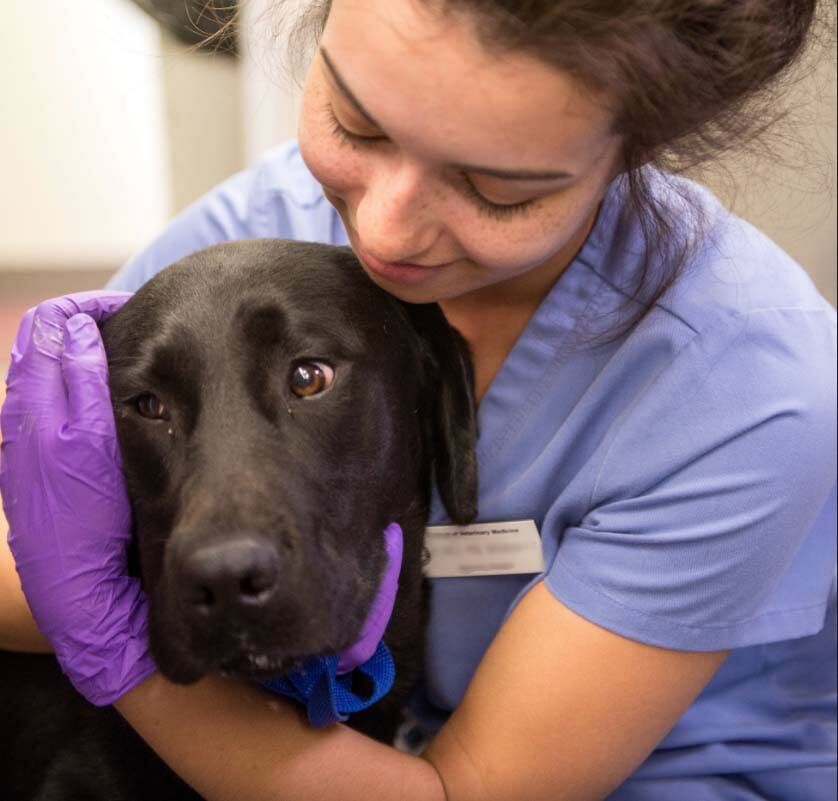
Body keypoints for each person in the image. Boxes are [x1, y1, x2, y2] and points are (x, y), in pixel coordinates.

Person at [1, 0, 835, 798]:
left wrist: (114, 639)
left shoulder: (746, 382)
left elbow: (463, 790)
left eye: (496, 185)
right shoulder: (271, 224)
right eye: (357, 124)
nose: (384, 231)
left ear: (640, 144)